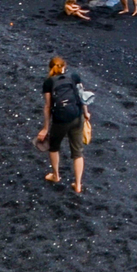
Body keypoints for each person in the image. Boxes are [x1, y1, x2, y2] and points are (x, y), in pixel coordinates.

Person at [37, 55, 89, 192]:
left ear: (51, 68)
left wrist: (45, 128)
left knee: (54, 147)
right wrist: (86, 112)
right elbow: (82, 96)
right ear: (64, 66)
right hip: (77, 116)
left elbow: (48, 106)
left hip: (60, 119)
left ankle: (55, 175)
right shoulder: (74, 76)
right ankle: (78, 185)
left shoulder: (49, 82)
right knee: (78, 152)